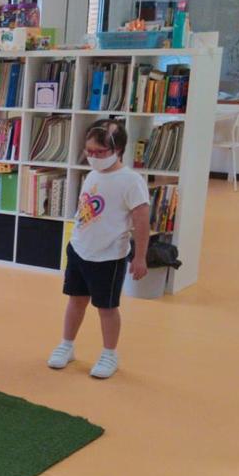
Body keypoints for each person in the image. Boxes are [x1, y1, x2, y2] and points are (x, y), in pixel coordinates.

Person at [47, 120, 150, 379]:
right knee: (75, 300)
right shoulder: (92, 174)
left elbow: (141, 221)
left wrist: (140, 257)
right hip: (80, 250)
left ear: (118, 150)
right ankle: (66, 345)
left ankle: (109, 354)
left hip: (109, 257)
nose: (92, 157)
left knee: (106, 308)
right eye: (88, 151)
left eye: (99, 152)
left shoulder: (131, 181)